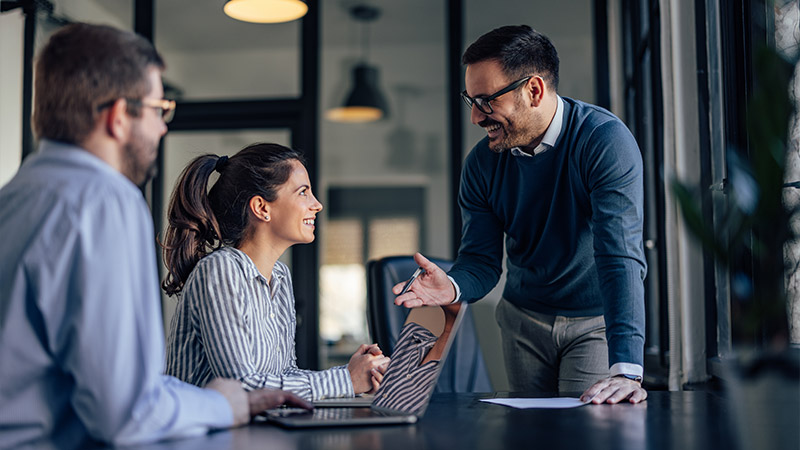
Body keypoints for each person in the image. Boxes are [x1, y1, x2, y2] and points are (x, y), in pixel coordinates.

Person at [0, 23, 310, 448]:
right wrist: (224, 405)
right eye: (159, 109)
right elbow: (125, 413)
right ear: (118, 117)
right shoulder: (106, 201)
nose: (163, 128)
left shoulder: (13, 198)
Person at [393, 25, 648, 405]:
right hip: (522, 319)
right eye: (471, 101)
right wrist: (453, 286)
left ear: (533, 90)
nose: (476, 119)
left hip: (594, 323)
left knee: (586, 430)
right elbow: (480, 260)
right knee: (529, 436)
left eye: (486, 101)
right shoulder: (482, 164)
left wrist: (627, 368)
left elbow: (620, 255)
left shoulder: (604, 142)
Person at [162, 144, 390, 401]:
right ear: (262, 208)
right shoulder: (219, 270)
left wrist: (357, 373)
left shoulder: (280, 277)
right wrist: (345, 380)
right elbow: (241, 386)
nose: (317, 205)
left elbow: (285, 375)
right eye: (303, 192)